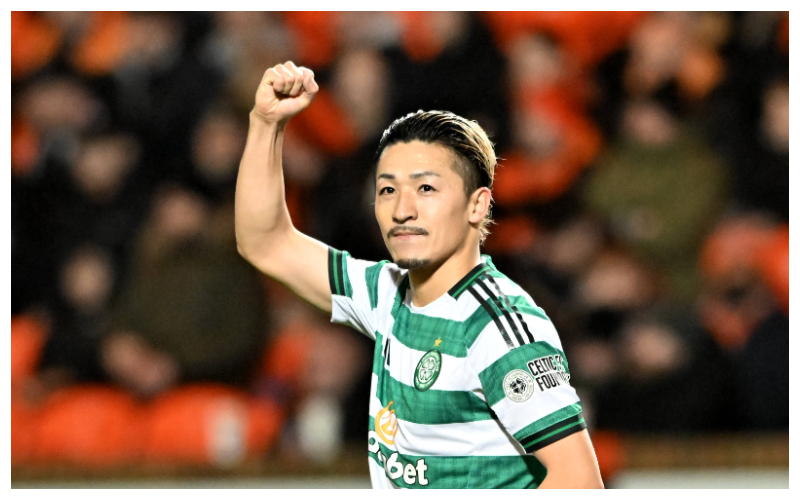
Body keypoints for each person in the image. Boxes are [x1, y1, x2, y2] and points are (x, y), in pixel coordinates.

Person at [235, 61, 603, 489]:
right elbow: (265, 241)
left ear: (477, 205)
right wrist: (265, 124)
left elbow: (579, 481)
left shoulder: (497, 329)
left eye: (426, 188)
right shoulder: (384, 294)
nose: (402, 209)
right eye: (388, 189)